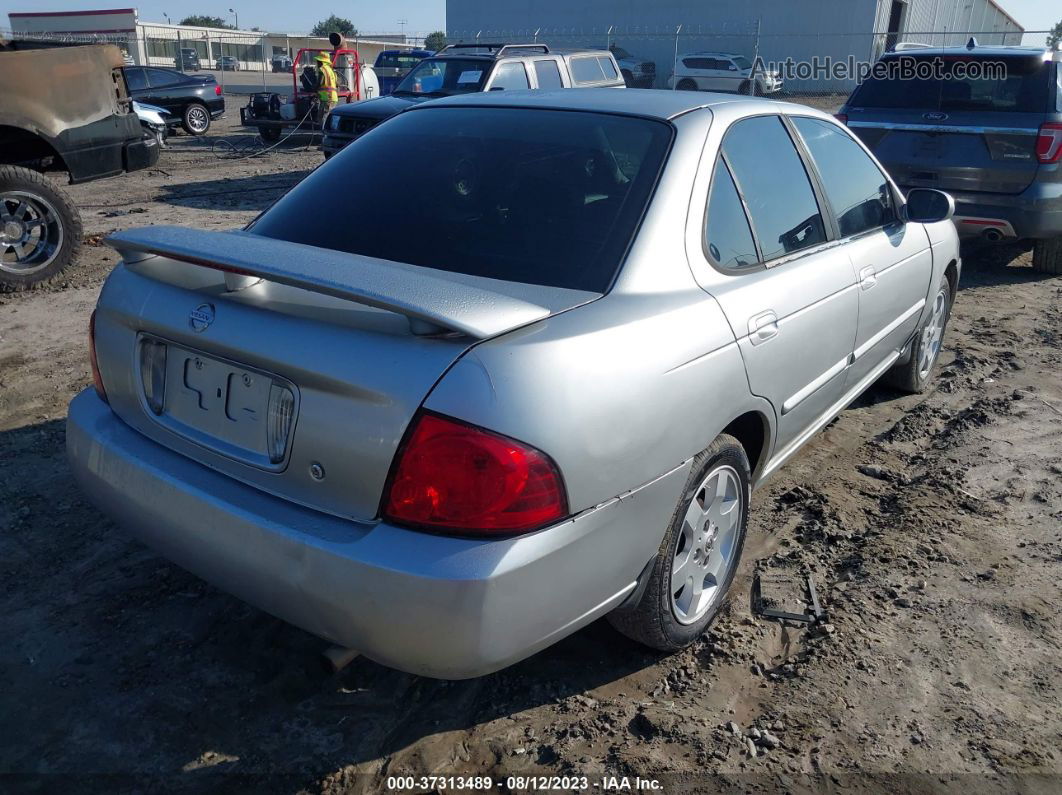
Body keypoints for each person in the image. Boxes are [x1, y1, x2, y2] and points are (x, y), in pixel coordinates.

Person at [314, 51, 338, 118]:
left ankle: (323, 129)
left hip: (328, 98)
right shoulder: (330, 70)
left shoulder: (322, 70)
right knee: (321, 117)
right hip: (330, 98)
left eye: (318, 61)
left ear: (322, 61)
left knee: (324, 118)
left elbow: (319, 83)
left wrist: (314, 90)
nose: (317, 63)